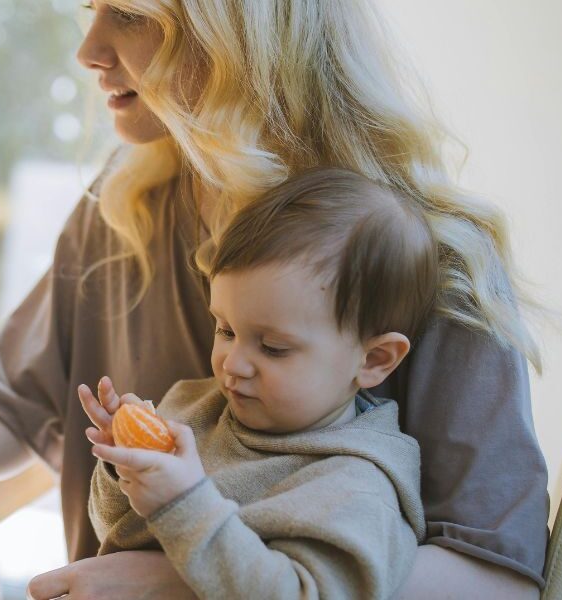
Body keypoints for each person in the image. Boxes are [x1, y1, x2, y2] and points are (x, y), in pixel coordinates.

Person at [0, 1, 550, 597]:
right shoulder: (125, 203)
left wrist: (180, 578)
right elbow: (15, 407)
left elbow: (494, 573)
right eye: (89, 10)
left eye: (130, 15)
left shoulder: (427, 255)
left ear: (241, 35)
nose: (87, 50)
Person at [83, 167, 436, 599]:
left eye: (272, 347)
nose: (233, 363)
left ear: (374, 359)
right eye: (226, 330)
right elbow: (119, 537)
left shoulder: (357, 488)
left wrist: (186, 505)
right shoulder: (195, 408)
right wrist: (126, 466)